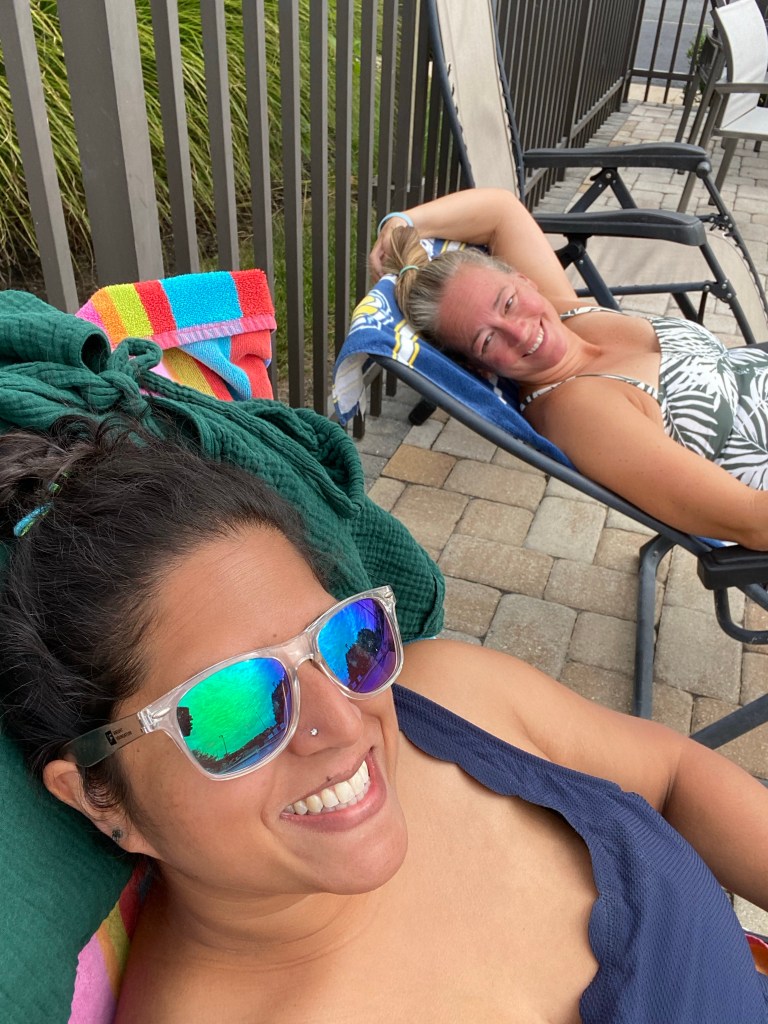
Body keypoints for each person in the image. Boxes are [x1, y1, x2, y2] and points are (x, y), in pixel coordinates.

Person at [1, 415, 767, 1024]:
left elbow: (671, 776)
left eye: (342, 640)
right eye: (234, 705)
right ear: (101, 796)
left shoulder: (452, 693)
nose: (344, 721)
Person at [370, 187, 768, 550]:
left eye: (508, 303)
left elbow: (502, 212)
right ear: (479, 366)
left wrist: (402, 223)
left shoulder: (565, 314)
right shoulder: (581, 411)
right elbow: (754, 520)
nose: (520, 333)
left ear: (525, 281)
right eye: (487, 340)